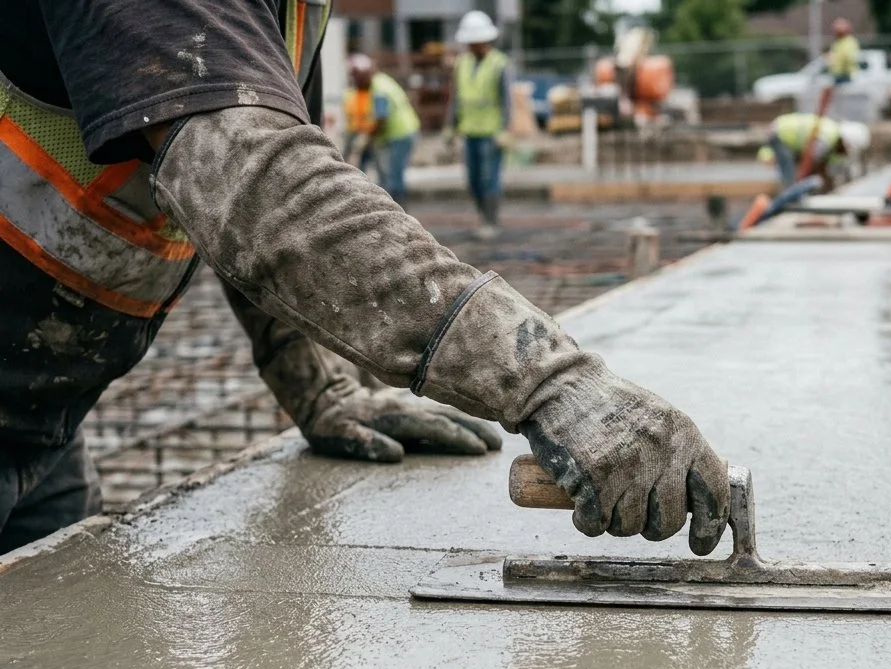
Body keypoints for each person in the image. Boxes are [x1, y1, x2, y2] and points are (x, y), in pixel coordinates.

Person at [0, 2, 729, 556]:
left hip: (43, 420)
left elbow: (247, 212)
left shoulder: (288, 11)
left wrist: (316, 388)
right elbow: (259, 187)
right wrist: (551, 382)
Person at [443, 11, 512, 238]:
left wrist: (505, 130)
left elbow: (506, 101)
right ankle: (483, 216)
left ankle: (491, 222)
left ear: (485, 40)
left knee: (489, 179)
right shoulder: (461, 64)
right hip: (470, 131)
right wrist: (450, 127)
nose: (471, 46)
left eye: (475, 41)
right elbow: (456, 99)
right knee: (473, 181)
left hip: (491, 133)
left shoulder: (499, 64)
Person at [343, 54, 420, 205]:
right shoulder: (378, 81)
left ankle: (398, 211)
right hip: (396, 133)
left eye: (356, 79)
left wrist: (365, 140)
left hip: (400, 134)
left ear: (364, 75)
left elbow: (381, 121)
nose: (355, 84)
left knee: (393, 176)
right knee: (388, 174)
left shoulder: (379, 90)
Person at [760, 113, 871, 192]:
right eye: (846, 150)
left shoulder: (832, 141)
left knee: (796, 169)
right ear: (844, 142)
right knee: (789, 168)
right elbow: (812, 161)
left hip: (786, 133)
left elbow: (824, 164)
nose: (845, 153)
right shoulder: (826, 138)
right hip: (781, 132)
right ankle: (790, 194)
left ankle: (794, 191)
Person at [827, 18, 860, 85]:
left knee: (827, 90)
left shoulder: (850, 41)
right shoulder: (837, 43)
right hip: (837, 74)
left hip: (846, 75)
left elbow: (849, 57)